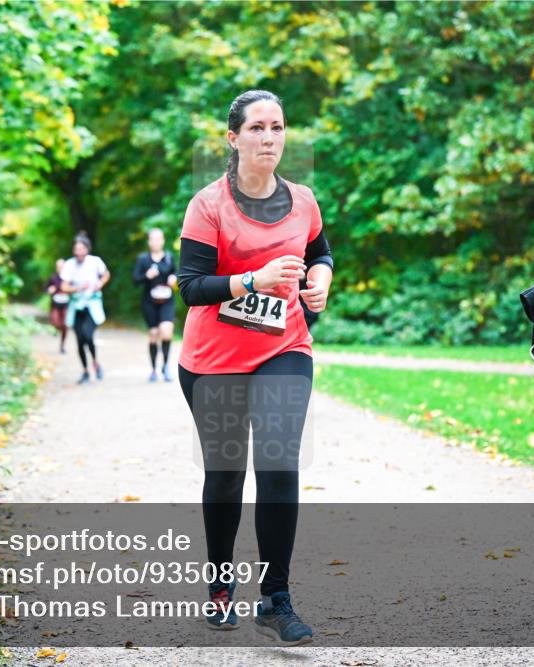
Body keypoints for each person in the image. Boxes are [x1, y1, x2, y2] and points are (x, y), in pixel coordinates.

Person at [177, 89, 333, 645]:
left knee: (278, 461)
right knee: (225, 476)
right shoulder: (208, 205)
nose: (269, 138)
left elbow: (321, 253)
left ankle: (277, 597)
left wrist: (320, 283)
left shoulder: (304, 199)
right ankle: (220, 586)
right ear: (234, 138)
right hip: (213, 359)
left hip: (282, 347)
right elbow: (191, 287)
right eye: (257, 129)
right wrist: (253, 281)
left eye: (277, 127)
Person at [59, 233, 111, 384]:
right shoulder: (69, 264)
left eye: (82, 248)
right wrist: (79, 287)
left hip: (92, 305)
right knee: (80, 339)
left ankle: (95, 362)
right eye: (76, 249)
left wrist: (100, 284)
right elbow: (64, 286)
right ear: (74, 251)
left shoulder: (95, 262)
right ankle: (85, 371)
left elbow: (106, 274)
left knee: (88, 336)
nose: (79, 251)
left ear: (87, 249)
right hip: (76, 306)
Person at [132, 228, 178, 381]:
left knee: (166, 332)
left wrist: (174, 278)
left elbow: (178, 273)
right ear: (149, 242)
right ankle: (153, 370)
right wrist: (146, 275)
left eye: (159, 239)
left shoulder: (169, 258)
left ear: (163, 241)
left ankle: (165, 367)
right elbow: (135, 280)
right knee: (153, 334)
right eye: (153, 239)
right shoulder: (143, 259)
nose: (156, 242)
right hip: (149, 302)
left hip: (167, 301)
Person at [46, 258, 69, 354]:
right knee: (56, 322)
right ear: (56, 268)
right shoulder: (53, 278)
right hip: (55, 304)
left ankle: (62, 346)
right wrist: (49, 290)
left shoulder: (68, 278)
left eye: (62, 267)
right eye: (59, 267)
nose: (61, 269)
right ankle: (56, 329)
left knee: (65, 325)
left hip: (66, 305)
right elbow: (45, 289)